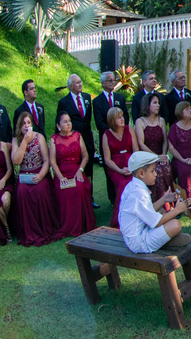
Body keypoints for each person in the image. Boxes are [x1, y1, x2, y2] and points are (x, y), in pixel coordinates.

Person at [118, 151, 188, 254]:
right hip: (138, 243)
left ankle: (164, 238)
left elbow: (148, 210)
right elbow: (156, 222)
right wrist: (177, 210)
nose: (156, 174)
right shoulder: (139, 194)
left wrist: (164, 199)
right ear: (141, 173)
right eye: (152, 171)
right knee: (175, 224)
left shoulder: (132, 186)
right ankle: (165, 241)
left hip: (136, 234)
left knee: (161, 211)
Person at [10, 112, 56, 247]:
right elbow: (16, 161)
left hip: (39, 172)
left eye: (28, 123)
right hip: (25, 175)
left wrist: (41, 175)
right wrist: (24, 140)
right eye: (23, 123)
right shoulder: (15, 140)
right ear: (19, 126)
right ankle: (29, 230)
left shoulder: (39, 137)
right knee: (22, 192)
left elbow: (47, 160)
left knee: (40, 190)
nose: (26, 126)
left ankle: (43, 227)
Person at [49, 111, 96, 240]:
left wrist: (80, 170)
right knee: (63, 191)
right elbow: (52, 161)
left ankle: (81, 224)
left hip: (77, 171)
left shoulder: (77, 135)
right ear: (58, 125)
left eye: (69, 121)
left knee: (79, 188)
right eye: (65, 121)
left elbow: (85, 156)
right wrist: (60, 177)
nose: (68, 123)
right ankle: (67, 226)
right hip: (61, 173)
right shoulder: (54, 139)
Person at [57, 73, 97, 207]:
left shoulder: (86, 97)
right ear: (70, 86)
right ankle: (76, 198)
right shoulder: (63, 102)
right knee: (77, 167)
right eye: (77, 83)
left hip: (87, 138)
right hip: (73, 141)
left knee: (89, 169)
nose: (80, 84)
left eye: (81, 82)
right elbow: (60, 122)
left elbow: (88, 118)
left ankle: (90, 198)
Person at [93, 71, 130, 205]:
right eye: (109, 80)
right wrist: (112, 132)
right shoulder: (97, 101)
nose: (112, 82)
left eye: (113, 80)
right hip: (108, 140)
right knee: (110, 172)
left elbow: (125, 116)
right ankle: (114, 200)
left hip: (123, 140)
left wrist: (121, 130)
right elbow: (99, 122)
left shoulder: (119, 98)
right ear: (103, 83)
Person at [101, 107, 137, 228]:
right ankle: (122, 218)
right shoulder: (106, 135)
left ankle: (137, 215)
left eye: (122, 116)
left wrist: (131, 168)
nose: (122, 119)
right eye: (118, 117)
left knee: (135, 182)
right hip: (116, 167)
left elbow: (136, 151)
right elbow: (107, 159)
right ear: (112, 120)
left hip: (131, 163)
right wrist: (120, 170)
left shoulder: (129, 130)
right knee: (123, 185)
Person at [135, 93, 174, 200]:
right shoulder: (140, 121)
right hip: (147, 157)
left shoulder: (161, 120)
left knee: (166, 169)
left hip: (161, 155)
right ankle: (158, 203)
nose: (158, 105)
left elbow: (165, 141)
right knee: (157, 172)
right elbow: (141, 143)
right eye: (155, 103)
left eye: (158, 103)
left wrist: (163, 154)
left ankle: (170, 201)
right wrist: (155, 157)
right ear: (147, 105)